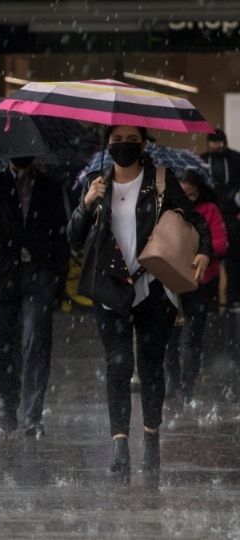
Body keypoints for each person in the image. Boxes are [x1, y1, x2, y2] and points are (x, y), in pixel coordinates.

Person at [67, 125, 212, 475]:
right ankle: (119, 444)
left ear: (144, 143)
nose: (124, 146)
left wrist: (204, 251)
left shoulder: (161, 180)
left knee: (150, 367)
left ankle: (151, 435)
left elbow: (196, 222)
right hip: (110, 290)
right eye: (116, 140)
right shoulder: (96, 185)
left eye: (131, 140)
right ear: (107, 144)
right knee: (118, 365)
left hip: (152, 288)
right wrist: (87, 204)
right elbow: (73, 238)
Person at [0, 157, 70, 437]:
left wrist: (56, 280)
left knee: (36, 341)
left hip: (39, 275)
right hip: (1, 276)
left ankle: (32, 415)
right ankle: (7, 408)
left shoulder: (51, 187)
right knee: (0, 347)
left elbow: (61, 236)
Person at [164, 170, 228, 406]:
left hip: (201, 282)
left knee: (191, 337)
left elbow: (221, 244)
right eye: (182, 193)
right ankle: (173, 381)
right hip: (172, 281)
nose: (186, 197)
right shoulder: (169, 210)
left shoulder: (210, 210)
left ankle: (187, 385)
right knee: (169, 337)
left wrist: (199, 247)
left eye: (190, 194)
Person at [201, 129, 240, 309]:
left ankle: (233, 298)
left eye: (218, 142)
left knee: (233, 258)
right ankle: (212, 299)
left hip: (231, 213)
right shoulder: (202, 160)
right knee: (210, 256)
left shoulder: (235, 159)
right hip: (210, 213)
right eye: (213, 142)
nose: (215, 146)